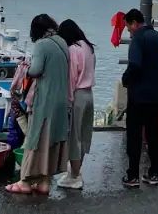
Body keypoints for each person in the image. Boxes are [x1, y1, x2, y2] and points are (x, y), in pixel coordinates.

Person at [6, 14, 69, 196]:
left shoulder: (42, 45)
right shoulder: (62, 42)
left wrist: (24, 67)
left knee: (35, 139)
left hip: (45, 100)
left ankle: (25, 182)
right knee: (51, 141)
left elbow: (35, 70)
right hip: (61, 100)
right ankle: (44, 182)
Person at [121, 8, 158, 188]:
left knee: (134, 136)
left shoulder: (137, 40)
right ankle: (154, 173)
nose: (129, 30)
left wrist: (126, 79)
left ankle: (132, 175)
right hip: (154, 96)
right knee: (153, 135)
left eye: (128, 27)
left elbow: (134, 65)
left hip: (137, 97)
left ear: (134, 23)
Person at [56, 19, 96, 190]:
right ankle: (76, 172)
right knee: (84, 135)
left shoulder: (73, 50)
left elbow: (72, 77)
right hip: (89, 94)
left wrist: (68, 100)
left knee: (74, 137)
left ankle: (74, 175)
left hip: (78, 94)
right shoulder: (88, 47)